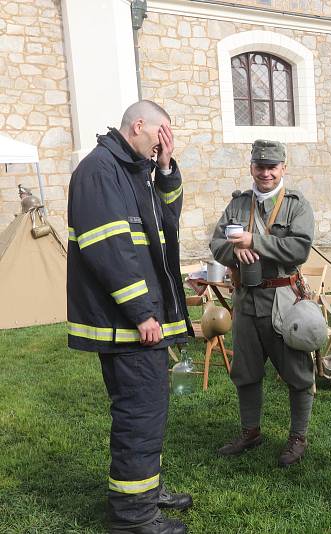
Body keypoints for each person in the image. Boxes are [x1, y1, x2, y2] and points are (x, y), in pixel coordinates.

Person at [66, 100, 193, 534]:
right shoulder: (101, 171)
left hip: (139, 321)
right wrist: (141, 312)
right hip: (127, 325)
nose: (165, 142)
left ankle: (145, 492)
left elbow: (167, 221)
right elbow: (110, 251)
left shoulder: (132, 170)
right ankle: (133, 517)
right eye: (162, 135)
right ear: (140, 125)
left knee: (150, 411)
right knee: (139, 414)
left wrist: (167, 166)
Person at [210, 140, 315, 467]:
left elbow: (299, 249)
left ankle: (298, 436)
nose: (266, 173)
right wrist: (234, 252)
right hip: (246, 298)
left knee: (297, 371)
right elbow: (217, 243)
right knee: (246, 370)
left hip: (282, 298)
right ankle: (250, 431)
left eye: (272, 167)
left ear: (283, 168)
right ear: (252, 166)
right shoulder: (239, 205)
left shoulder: (297, 205)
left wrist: (254, 241)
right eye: (260, 166)